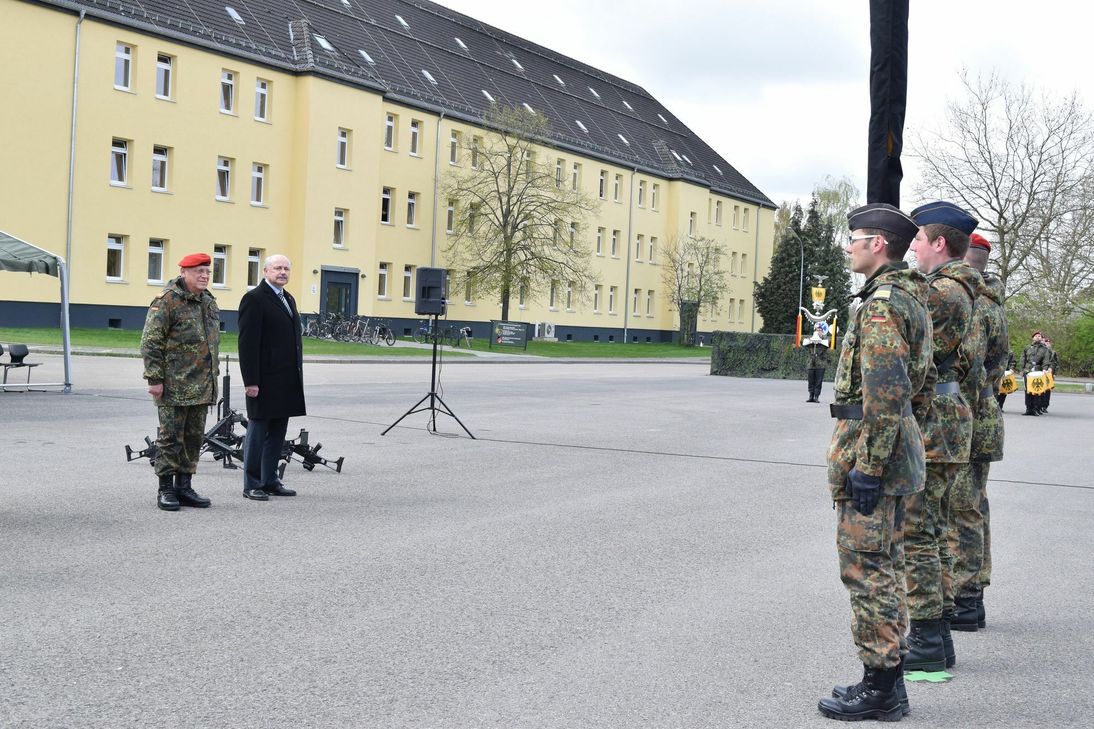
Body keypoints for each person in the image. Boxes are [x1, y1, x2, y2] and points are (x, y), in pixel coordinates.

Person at [818, 204, 930, 722]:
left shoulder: (883, 304)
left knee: (868, 571)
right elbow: (919, 387)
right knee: (887, 565)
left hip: (874, 452)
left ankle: (881, 688)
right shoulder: (909, 295)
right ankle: (887, 682)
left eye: (855, 239)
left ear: (878, 244)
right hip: (893, 448)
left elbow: (884, 394)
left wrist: (868, 465)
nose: (849, 247)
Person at [902, 201, 978, 673]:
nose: (911, 246)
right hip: (948, 418)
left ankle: (927, 639)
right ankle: (940, 635)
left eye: (917, 238)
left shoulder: (941, 292)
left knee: (918, 532)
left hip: (934, 422)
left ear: (939, 243)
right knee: (936, 529)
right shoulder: (959, 289)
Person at [949, 233, 1008, 632]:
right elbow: (998, 362)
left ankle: (966, 597)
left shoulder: (973, 304)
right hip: (986, 411)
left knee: (962, 506)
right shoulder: (995, 302)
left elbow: (966, 368)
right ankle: (973, 593)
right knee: (974, 503)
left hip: (969, 413)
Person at [140, 252, 220, 511]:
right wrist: (155, 378)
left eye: (207, 272)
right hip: (174, 385)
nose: (204, 276)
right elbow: (151, 342)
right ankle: (165, 489)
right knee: (170, 438)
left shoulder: (208, 301)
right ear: (184, 272)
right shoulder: (167, 301)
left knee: (193, 438)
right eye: (199, 271)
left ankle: (184, 487)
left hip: (202, 384)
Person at [238, 254, 306, 501]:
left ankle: (270, 480)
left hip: (285, 380)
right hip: (263, 380)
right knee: (258, 432)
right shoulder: (254, 299)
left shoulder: (287, 298)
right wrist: (251, 381)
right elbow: (247, 344)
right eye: (277, 268)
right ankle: (252, 483)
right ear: (265, 271)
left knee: (278, 432)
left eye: (286, 268)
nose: (283, 272)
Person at [1019, 332, 1050, 416]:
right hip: (1028, 371)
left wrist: (1044, 369)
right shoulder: (1027, 348)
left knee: (1037, 390)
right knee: (1028, 390)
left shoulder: (1044, 349)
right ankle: (1028, 408)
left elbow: (1046, 360)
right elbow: (1023, 359)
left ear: (1041, 338)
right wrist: (1021, 370)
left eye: (1039, 336)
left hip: (1038, 371)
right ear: (1033, 338)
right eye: (1036, 336)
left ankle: (1036, 409)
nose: (1037, 337)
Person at [1042, 338, 1059, 413]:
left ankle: (1045, 406)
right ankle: (1039, 405)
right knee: (1041, 389)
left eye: (1048, 343)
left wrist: (1054, 373)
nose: (1047, 344)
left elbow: (1056, 363)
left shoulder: (1053, 353)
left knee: (1047, 390)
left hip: (1049, 373)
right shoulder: (1042, 351)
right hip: (1042, 372)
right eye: (1046, 342)